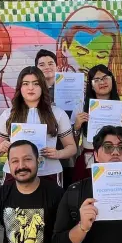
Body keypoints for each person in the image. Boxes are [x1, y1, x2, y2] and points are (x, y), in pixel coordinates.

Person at [0, 67, 77, 186]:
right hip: (15, 174)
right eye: (26, 83)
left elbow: (72, 147)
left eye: (36, 84)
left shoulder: (58, 113)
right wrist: (0, 147)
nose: (30, 88)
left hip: (49, 173)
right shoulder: (8, 115)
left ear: (42, 87)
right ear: (20, 87)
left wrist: (59, 153)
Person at [72, 64, 122, 182]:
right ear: (91, 86)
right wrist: (76, 127)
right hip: (89, 160)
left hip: (118, 159)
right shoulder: (80, 108)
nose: (102, 82)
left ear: (112, 80)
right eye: (96, 80)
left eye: (105, 78)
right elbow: (73, 145)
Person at [36, 49, 76, 187]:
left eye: (50, 63)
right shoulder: (32, 92)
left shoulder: (71, 90)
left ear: (57, 66)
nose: (47, 67)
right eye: (42, 65)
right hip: (40, 151)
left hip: (65, 147)